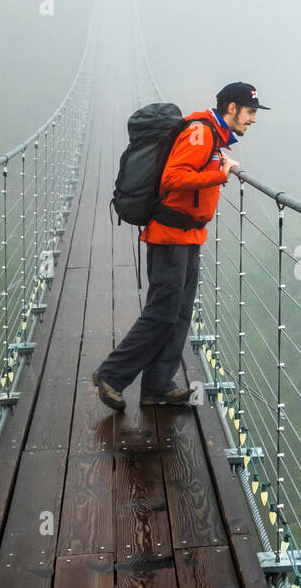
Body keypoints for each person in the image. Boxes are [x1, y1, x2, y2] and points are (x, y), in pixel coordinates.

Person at [92, 82, 269, 410]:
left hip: (188, 236)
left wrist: (217, 161)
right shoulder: (201, 134)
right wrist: (219, 172)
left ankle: (158, 385)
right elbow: (173, 178)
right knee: (162, 314)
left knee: (180, 313)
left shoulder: (211, 137)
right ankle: (111, 375)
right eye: (251, 112)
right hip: (170, 236)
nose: (253, 119)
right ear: (232, 108)